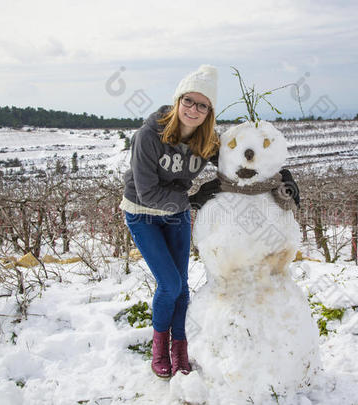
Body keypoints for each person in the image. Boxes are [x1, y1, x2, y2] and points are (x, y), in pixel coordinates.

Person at [121, 65, 300, 379]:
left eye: (202, 105)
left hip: (175, 216)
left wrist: (280, 175)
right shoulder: (149, 135)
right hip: (143, 214)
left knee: (183, 289)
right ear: (178, 101)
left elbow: (239, 162)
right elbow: (147, 192)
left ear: (209, 112)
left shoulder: (206, 140)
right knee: (170, 284)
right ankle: (159, 347)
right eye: (188, 101)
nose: (193, 109)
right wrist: (192, 198)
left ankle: (181, 348)